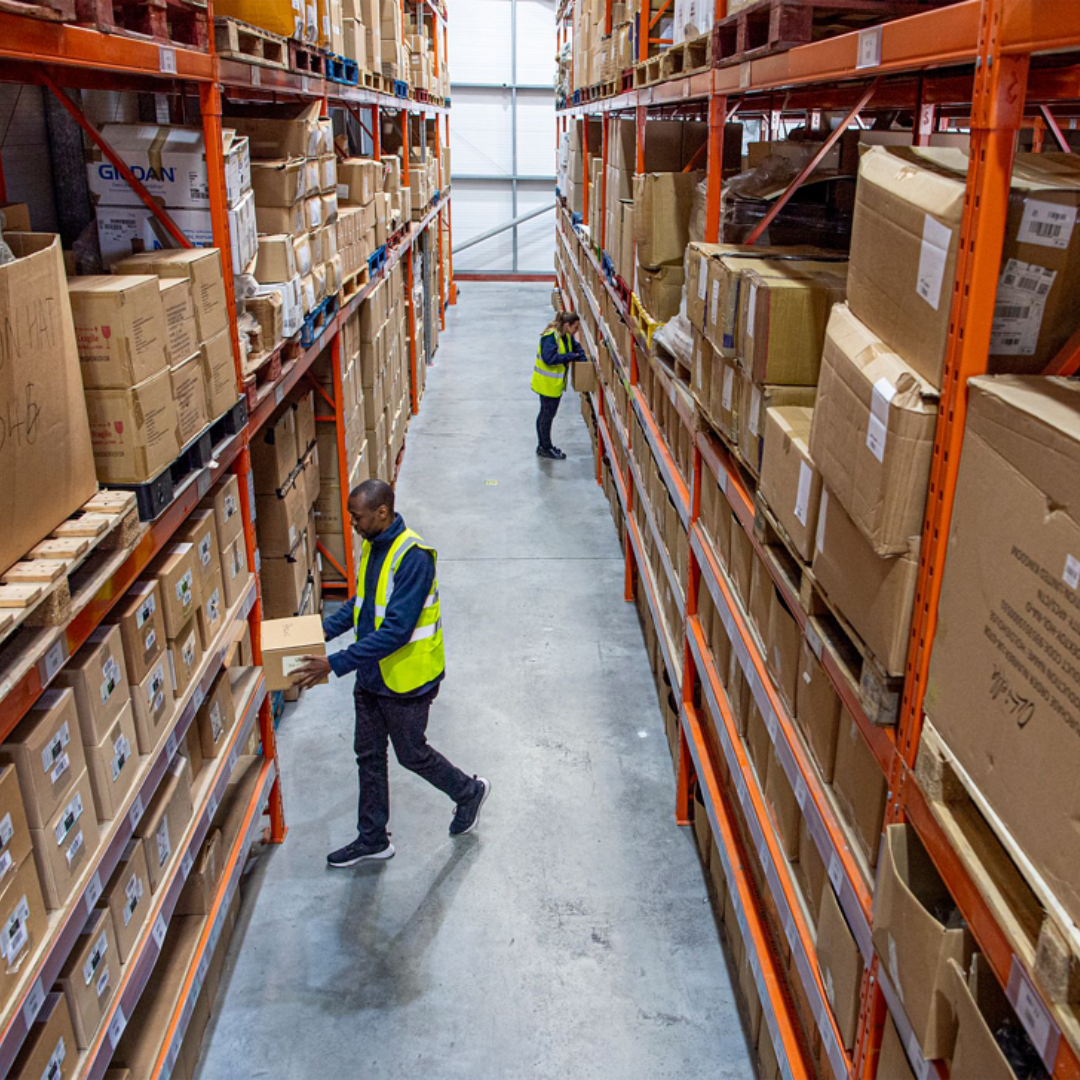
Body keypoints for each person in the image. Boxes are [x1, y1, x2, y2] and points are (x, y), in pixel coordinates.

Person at [292, 479, 489, 868]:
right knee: (368, 755)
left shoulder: (413, 557)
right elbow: (362, 605)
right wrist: (317, 632)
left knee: (411, 754)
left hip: (406, 680)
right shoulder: (373, 545)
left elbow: (396, 631)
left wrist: (334, 663)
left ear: (382, 512)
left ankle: (468, 792)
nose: (352, 523)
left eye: (357, 516)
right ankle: (373, 838)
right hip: (372, 676)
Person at [532, 310, 587, 460]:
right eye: (575, 328)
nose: (576, 331)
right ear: (567, 325)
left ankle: (544, 445)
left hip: (554, 385)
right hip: (547, 384)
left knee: (546, 414)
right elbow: (549, 358)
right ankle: (545, 447)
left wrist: (582, 358)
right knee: (546, 416)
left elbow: (576, 347)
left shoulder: (566, 336)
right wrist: (571, 357)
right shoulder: (550, 337)